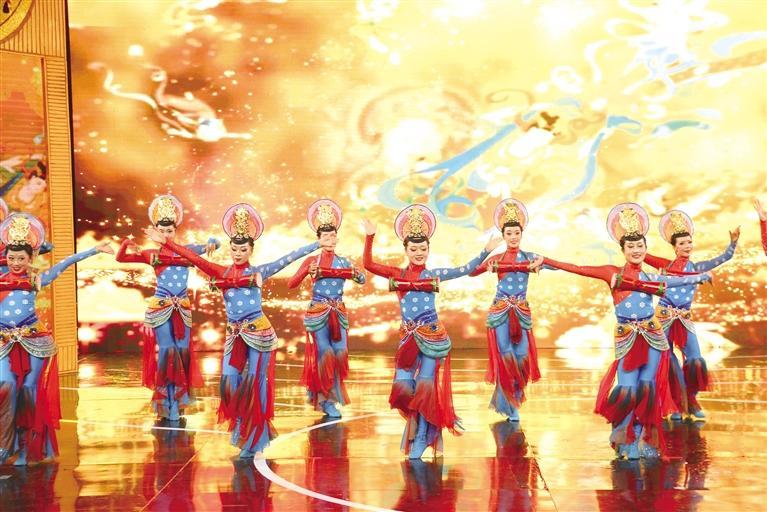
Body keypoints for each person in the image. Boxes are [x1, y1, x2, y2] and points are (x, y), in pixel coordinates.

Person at [144, 203, 320, 458]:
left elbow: (289, 257)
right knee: (229, 382)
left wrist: (317, 245)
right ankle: (240, 423)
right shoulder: (220, 271)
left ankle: (254, 438)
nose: (238, 254)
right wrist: (166, 243)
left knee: (255, 384)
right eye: (234, 249)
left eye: (243, 249)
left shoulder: (260, 271)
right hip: (234, 335)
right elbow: (193, 258)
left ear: (251, 250)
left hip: (259, 335)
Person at [542, 203, 711, 459]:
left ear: (645, 249)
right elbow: (578, 267)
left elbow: (676, 280)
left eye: (640, 246)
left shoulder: (651, 277)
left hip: (653, 337)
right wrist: (546, 261)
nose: (636, 250)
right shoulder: (611, 273)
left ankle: (641, 436)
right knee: (627, 389)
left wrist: (699, 277)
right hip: (628, 337)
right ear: (623, 250)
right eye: (631, 246)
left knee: (647, 390)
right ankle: (625, 437)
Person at [361, 204, 502, 459]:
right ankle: (419, 429)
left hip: (433, 337)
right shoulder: (396, 274)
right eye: (413, 249)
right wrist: (370, 236)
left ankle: (422, 438)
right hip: (408, 337)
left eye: (423, 249)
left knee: (425, 388)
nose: (418, 253)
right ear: (406, 250)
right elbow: (368, 264)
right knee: (404, 387)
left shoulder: (435, 274)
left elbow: (465, 269)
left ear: (428, 250)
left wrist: (486, 251)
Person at [0, 213, 112, 465]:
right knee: (5, 386)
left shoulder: (36, 279)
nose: (15, 263)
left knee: (29, 391)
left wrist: (95, 250)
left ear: (30, 259)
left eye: (21, 258)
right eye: (11, 258)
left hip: (35, 340)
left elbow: (67, 262)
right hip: (4, 341)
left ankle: (28, 448)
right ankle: (6, 444)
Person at [116, 194, 219, 421]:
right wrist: (126, 244)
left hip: (182, 308)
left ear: (175, 231)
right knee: (167, 350)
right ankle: (167, 402)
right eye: (161, 231)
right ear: (155, 231)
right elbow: (121, 258)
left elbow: (215, 244)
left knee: (182, 351)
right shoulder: (151, 254)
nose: (165, 235)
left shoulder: (188, 250)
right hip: (160, 307)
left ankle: (180, 402)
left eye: (169, 231)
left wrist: (213, 240)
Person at [643, 209, 738, 420]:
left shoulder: (697, 267)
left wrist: (732, 243)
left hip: (684, 318)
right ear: (674, 247)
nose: (687, 246)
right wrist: (629, 239)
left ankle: (691, 401)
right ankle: (675, 404)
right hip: (664, 317)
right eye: (682, 243)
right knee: (668, 361)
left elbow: (725, 257)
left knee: (695, 359)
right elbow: (642, 255)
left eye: (689, 242)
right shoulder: (665, 265)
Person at [287, 199, 365, 418]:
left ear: (337, 238)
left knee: (340, 353)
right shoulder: (312, 260)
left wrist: (357, 274)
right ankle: (325, 399)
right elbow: (291, 284)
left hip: (338, 312)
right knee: (326, 353)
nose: (330, 239)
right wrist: (306, 271)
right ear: (319, 239)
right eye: (325, 236)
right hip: (318, 312)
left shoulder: (343, 261)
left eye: (333, 236)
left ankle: (329, 396)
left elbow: (362, 279)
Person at [470, 198, 544, 422]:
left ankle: (515, 395)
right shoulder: (497, 258)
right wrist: (485, 252)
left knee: (522, 356)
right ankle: (511, 404)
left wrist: (544, 261)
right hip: (500, 311)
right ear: (503, 235)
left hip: (521, 312)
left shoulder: (530, 257)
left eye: (516, 233)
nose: (513, 237)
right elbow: (472, 272)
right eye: (509, 233)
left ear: (521, 234)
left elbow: (553, 265)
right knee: (506, 356)